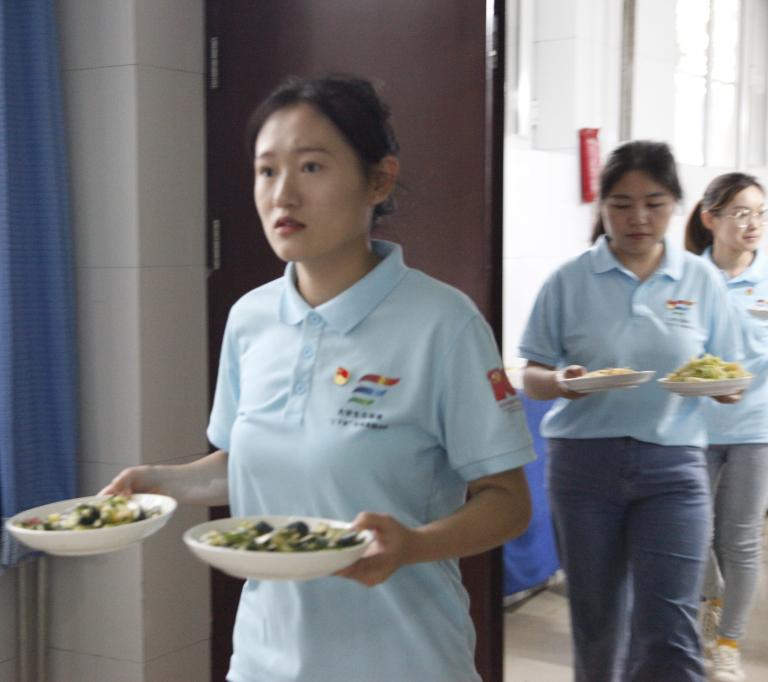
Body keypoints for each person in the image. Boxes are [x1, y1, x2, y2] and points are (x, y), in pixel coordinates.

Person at [101, 74, 536, 682]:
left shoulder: (444, 323)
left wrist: (412, 545)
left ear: (379, 180)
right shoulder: (250, 320)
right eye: (267, 171)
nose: (283, 194)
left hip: (403, 662)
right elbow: (249, 462)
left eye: (310, 167)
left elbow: (509, 504)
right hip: (264, 660)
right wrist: (159, 482)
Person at [519, 140, 745, 681]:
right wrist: (561, 381)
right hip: (583, 466)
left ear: (676, 205)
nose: (638, 218)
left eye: (654, 203)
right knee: (597, 623)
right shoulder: (569, 280)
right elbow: (531, 375)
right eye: (621, 204)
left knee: (670, 625)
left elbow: (731, 372)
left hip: (675, 466)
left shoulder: (700, 279)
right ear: (602, 207)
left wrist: (723, 389)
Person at [684, 172, 768, 682]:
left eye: (760, 213)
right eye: (740, 213)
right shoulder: (686, 276)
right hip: (692, 427)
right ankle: (711, 598)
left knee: (740, 540)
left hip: (755, 428)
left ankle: (729, 642)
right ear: (710, 218)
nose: (752, 223)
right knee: (693, 533)